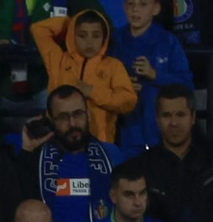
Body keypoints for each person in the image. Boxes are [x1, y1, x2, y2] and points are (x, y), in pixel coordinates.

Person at [22, 86, 124, 222]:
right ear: (50, 121)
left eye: (78, 114)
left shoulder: (111, 155)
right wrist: (27, 151)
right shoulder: (38, 158)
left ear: (88, 114)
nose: (72, 123)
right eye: (63, 117)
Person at [30, 10, 136, 146]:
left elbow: (128, 101)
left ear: (104, 38)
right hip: (61, 142)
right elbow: (38, 29)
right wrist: (72, 22)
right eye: (82, 35)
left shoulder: (113, 66)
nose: (89, 42)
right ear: (72, 35)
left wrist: (93, 92)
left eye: (96, 36)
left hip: (101, 144)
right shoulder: (59, 61)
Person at [111, 0, 192, 153]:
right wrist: (121, 84)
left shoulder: (168, 42)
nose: (135, 10)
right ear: (124, 7)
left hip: (160, 135)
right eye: (130, 4)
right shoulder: (115, 41)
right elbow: (100, 79)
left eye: (143, 4)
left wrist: (155, 74)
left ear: (156, 8)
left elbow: (186, 84)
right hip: (126, 132)